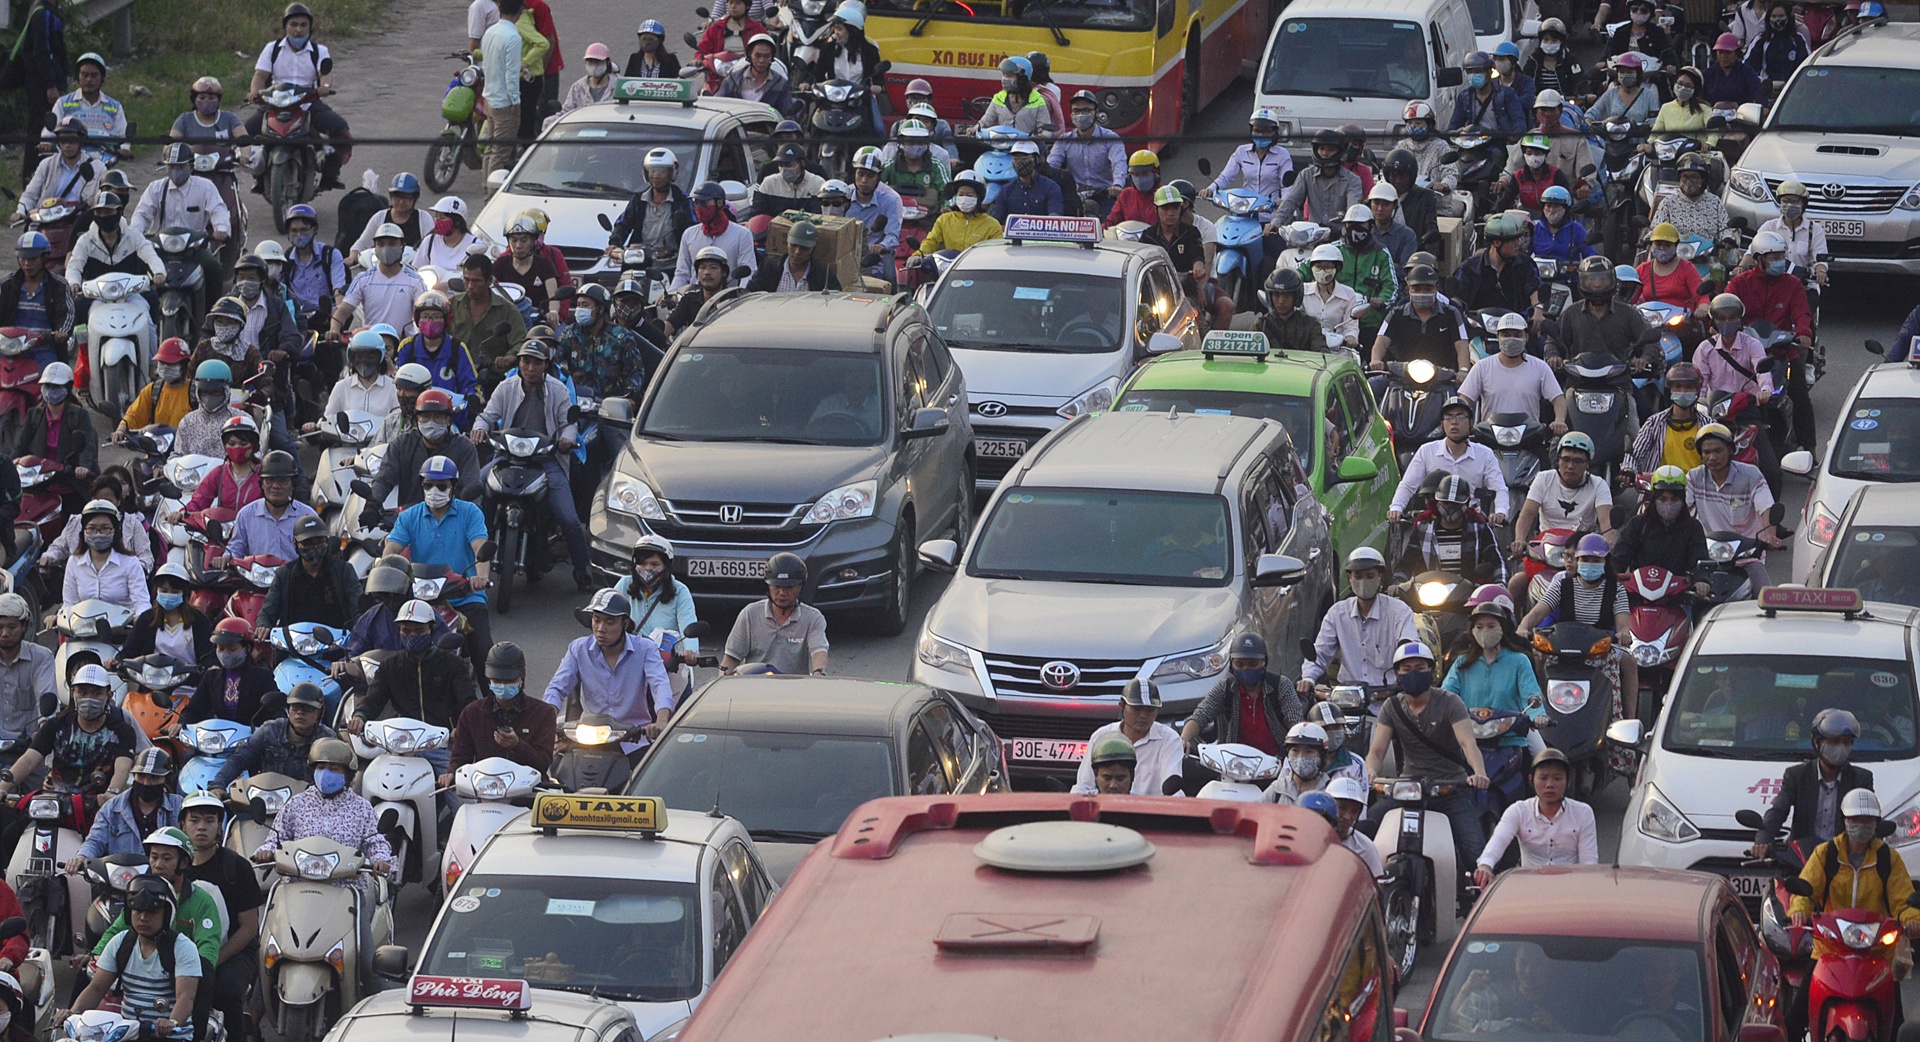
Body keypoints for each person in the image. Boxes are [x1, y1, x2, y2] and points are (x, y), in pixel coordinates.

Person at [470, 339, 592, 590]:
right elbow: (487, 416)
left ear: (546, 365)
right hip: (507, 456)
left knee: (569, 519)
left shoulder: (558, 390)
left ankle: (582, 570)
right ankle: (462, 563)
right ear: (520, 363)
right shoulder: (506, 387)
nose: (531, 367)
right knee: (470, 493)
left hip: (546, 459)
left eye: (537, 362)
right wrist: (480, 430)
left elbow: (568, 422)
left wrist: (567, 439)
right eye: (526, 361)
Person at [1363, 641, 1490, 869]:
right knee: (1368, 824)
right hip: (1408, 787)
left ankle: (1478, 894)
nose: (1413, 674)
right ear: (1397, 673)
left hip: (1450, 787)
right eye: (1407, 669)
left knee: (1475, 852)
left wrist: (1479, 773)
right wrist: (1370, 772)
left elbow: (1467, 743)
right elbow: (1377, 751)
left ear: (1431, 671)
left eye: (1420, 668)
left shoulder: (1451, 702)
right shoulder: (1391, 707)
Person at [58, 874, 200, 1040]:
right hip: (126, 1035)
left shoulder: (183, 948)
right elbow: (96, 988)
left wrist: (172, 1023)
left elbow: (186, 997)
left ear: (167, 914)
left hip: (170, 1037)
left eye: (152, 912)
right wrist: (72, 1014)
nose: (143, 918)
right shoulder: (120, 942)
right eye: (138, 910)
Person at [383, 454, 493, 668]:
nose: (434, 491)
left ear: (454, 487)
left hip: (466, 596)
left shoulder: (470, 513)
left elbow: (480, 547)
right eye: (429, 485)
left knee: (485, 654)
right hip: (422, 597)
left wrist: (481, 577)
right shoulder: (408, 517)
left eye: (441, 486)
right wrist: (383, 569)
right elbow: (392, 548)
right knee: (391, 646)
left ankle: (491, 700)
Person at [543, 589, 675, 759]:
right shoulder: (578, 649)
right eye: (596, 620)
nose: (601, 628)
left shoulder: (645, 648)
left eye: (609, 622)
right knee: (555, 767)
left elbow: (660, 686)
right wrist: (545, 719)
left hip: (634, 740)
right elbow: (556, 688)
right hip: (589, 739)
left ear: (625, 624)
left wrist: (661, 721)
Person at [347, 599, 473, 773]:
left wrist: (460, 729)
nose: (412, 635)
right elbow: (374, 698)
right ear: (399, 630)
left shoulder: (453, 665)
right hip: (402, 745)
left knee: (457, 790)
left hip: (441, 745)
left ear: (432, 630)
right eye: (406, 630)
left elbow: (468, 701)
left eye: (419, 630)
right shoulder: (390, 666)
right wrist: (360, 716)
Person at [177, 789, 264, 1041]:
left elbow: (248, 928)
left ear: (219, 826)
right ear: (182, 824)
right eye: (194, 820)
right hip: (181, 950)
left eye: (209, 821)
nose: (201, 827)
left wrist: (210, 961)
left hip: (232, 952)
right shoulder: (172, 864)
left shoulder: (237, 867)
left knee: (225, 989)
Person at [1518, 532, 1637, 710]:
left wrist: (1623, 634)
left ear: (1605, 563)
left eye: (1596, 561)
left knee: (1628, 660)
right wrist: (1523, 627)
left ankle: (1628, 719)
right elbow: (1537, 613)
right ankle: (1536, 708)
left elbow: (1622, 623)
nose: (1590, 564)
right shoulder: (1562, 586)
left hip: (1600, 655)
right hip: (1562, 653)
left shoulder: (1616, 590)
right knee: (1535, 658)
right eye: (1585, 559)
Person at [1788, 788, 1920, 935]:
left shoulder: (1888, 857)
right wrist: (1799, 910)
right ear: (1845, 820)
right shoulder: (1825, 853)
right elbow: (1807, 890)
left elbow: (1902, 900)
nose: (1862, 825)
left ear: (1876, 823)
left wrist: (1912, 919)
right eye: (1855, 820)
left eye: (1867, 821)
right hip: (1830, 942)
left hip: (1876, 945)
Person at [0, 662, 139, 802]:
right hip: (56, 804)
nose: (89, 698)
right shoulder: (56, 725)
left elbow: (123, 767)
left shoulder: (122, 730)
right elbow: (29, 759)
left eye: (96, 693)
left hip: (100, 805)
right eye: (83, 692)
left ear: (109, 696)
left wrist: (111, 793)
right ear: (73, 693)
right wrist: (3, 787)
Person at [1727, 230, 1814, 453]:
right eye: (1773, 257)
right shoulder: (1739, 284)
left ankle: (1809, 449)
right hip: (1745, 353)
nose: (1779, 262)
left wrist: (1804, 332)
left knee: (1800, 397)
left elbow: (1802, 313)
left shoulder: (1792, 284)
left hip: (1781, 352)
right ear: (1758, 259)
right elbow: (1726, 307)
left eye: (1781, 256)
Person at [245, 3, 349, 188]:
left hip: (307, 102)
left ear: (310, 28)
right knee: (243, 133)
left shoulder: (319, 51)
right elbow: (260, 76)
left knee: (340, 129)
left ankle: (330, 174)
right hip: (275, 102)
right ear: (286, 26)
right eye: (293, 24)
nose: (298, 29)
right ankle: (259, 174)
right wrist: (254, 92)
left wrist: (324, 87)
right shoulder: (272, 48)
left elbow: (325, 74)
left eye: (303, 25)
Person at [441, 641, 556, 788]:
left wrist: (517, 745)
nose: (502, 685)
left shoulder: (543, 713)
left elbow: (542, 763)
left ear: (522, 676)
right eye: (497, 681)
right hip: (487, 791)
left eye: (509, 681)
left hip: (528, 793)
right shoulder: (472, 713)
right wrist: (452, 772)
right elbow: (461, 755)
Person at [1474, 747, 1597, 882]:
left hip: (1570, 887)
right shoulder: (1518, 811)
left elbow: (1589, 863)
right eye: (1543, 778)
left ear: (1568, 781)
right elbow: (1498, 840)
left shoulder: (1583, 812)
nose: (1550, 785)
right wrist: (1485, 866)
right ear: (1531, 779)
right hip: (1530, 887)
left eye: (1557, 778)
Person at [128, 142, 230, 300]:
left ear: (191, 166)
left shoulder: (205, 187)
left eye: (180, 167)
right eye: (171, 167)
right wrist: (135, 233)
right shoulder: (155, 188)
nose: (176, 171)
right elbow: (142, 214)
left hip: (194, 248)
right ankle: (139, 309)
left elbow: (218, 209)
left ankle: (212, 313)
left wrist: (221, 229)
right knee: (135, 264)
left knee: (213, 267)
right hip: (160, 247)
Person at [1687, 422, 1783, 581]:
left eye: (1718, 451)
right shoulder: (1694, 477)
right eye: (1706, 452)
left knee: (1764, 600)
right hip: (1707, 556)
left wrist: (1770, 536)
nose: (1712, 457)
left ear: (1731, 450)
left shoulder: (1751, 475)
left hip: (1746, 557)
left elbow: (1766, 507)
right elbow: (1683, 508)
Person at [1184, 632, 1303, 758]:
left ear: (1264, 662)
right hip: (1235, 763)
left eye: (1253, 664)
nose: (1246, 669)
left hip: (1277, 761)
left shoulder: (1281, 685)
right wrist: (1183, 739)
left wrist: (1296, 753)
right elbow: (1201, 714)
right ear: (1232, 664)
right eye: (1240, 664)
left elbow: (1295, 721)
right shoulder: (1225, 688)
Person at [1059, 677, 1181, 797]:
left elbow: (1172, 790)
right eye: (1136, 709)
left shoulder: (1169, 739)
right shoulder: (1100, 736)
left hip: (1151, 813)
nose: (1143, 715)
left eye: (1150, 710)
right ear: (1122, 706)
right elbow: (1084, 786)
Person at [210, 683, 336, 789]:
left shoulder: (328, 740)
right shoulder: (269, 730)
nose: (300, 713)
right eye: (295, 706)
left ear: (321, 712)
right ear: (288, 709)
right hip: (267, 798)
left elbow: (338, 776)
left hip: (309, 806)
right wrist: (218, 785)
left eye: (308, 708)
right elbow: (240, 759)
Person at [69, 747, 180, 867]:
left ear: (166, 779)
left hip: (165, 878)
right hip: (121, 878)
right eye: (141, 776)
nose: (146, 783)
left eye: (154, 777)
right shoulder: (111, 808)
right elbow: (96, 841)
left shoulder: (179, 806)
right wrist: (82, 857)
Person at [1510, 431, 1614, 558]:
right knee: (1519, 578)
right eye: (1566, 459)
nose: (1570, 466)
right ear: (1558, 460)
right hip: (1547, 548)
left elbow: (1606, 521)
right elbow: (1527, 513)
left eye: (1578, 461)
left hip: (1581, 550)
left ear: (1587, 464)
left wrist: (1609, 546)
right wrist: (1520, 539)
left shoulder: (1598, 485)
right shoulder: (1543, 479)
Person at [721, 553, 829, 675]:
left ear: (800, 587)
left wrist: (819, 673)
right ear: (768, 586)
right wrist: (722, 681)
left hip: (794, 688)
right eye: (777, 586)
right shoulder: (750, 614)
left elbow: (819, 652)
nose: (782, 593)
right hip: (754, 685)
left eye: (789, 587)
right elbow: (731, 657)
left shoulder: (813, 618)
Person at [1548, 256, 1658, 376]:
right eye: (1591, 279)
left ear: (1612, 281)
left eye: (1603, 279)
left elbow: (1650, 341)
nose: (1597, 285)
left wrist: (1643, 359)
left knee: (1637, 395)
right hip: (1578, 380)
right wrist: (1553, 356)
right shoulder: (1571, 313)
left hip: (1618, 380)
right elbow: (1553, 341)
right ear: (1582, 281)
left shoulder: (1627, 313)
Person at [255, 514, 360, 636]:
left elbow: (357, 607)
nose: (314, 548)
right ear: (295, 543)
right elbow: (268, 610)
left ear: (327, 541)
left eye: (320, 542)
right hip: (294, 646)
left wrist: (359, 631)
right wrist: (263, 625)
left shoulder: (344, 571)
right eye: (307, 543)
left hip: (336, 646)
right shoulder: (284, 575)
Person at [1460, 314, 1568, 432]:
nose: (1511, 339)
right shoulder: (1482, 367)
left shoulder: (1540, 367)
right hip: (1490, 437)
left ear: (1526, 337)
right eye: (1506, 335)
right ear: (1498, 337)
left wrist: (1559, 421)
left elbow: (1558, 399)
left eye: (1517, 335)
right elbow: (1465, 399)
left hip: (1529, 437)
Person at [13, 361, 94, 516]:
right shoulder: (34, 415)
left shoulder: (79, 415)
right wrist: (9, 464)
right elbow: (21, 446)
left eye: (56, 387)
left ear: (68, 388)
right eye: (47, 386)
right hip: (39, 480)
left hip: (69, 480)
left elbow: (87, 445)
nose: (50, 391)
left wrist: (83, 467)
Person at [1400, 474, 1509, 586]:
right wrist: (1397, 583)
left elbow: (1498, 563)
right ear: (1437, 501)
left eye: (1456, 503)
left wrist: (1501, 585)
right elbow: (1406, 564)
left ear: (1466, 504)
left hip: (1470, 594)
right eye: (1446, 502)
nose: (1450, 507)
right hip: (1430, 593)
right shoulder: (1423, 529)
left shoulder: (1479, 527)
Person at [331, 223, 428, 340]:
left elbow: (424, 313)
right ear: (374, 247)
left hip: (403, 344)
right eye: (381, 244)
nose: (386, 248)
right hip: (371, 344)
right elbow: (343, 311)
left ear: (402, 245)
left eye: (392, 244)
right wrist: (334, 329)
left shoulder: (415, 280)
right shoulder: (363, 279)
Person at [1610, 465, 1710, 576]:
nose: (1668, 504)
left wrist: (1701, 580)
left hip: (1679, 591)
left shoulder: (1692, 527)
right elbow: (1619, 557)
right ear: (1654, 498)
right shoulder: (1638, 524)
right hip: (1638, 591)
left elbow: (1699, 560)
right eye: (1662, 499)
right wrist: (1611, 575)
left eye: (1674, 499)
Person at [1369, 263, 1465, 375]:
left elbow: (1462, 344)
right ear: (1408, 288)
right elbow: (1381, 341)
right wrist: (1375, 360)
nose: (1422, 293)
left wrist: (1463, 370)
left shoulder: (1451, 313)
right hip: (1400, 375)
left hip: (1443, 377)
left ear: (1436, 288)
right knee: (1374, 387)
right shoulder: (1396, 313)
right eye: (1416, 288)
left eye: (1428, 289)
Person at [180, 618, 278, 727]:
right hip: (221, 739)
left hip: (254, 740)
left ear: (247, 648)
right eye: (221, 649)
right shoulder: (211, 677)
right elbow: (194, 709)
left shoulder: (263, 677)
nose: (225, 654)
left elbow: (276, 712)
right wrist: (182, 723)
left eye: (232, 649)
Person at [11, 0, 68, 181]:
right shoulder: (41, 15)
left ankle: (47, 176)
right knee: (38, 130)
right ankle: (30, 177)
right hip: (41, 85)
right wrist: (50, 85)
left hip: (49, 82)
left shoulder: (50, 12)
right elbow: (41, 52)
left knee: (51, 129)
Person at [60, 499, 148, 616]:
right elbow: (69, 604)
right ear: (84, 531)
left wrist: (140, 619)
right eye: (91, 528)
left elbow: (142, 603)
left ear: (115, 531)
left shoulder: (130, 563)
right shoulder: (74, 562)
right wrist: (58, 617)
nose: (98, 534)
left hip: (122, 630)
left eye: (105, 528)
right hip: (83, 629)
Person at [1447, 214, 1541, 322]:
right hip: (1478, 328)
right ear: (1497, 242)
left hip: (1516, 326)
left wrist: (1538, 311)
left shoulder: (1525, 263)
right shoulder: (1470, 267)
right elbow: (1458, 296)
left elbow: (1534, 288)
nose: (1518, 244)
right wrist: (1456, 311)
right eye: (1513, 240)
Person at [0, 232, 76, 365]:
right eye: (23, 259)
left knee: (52, 379)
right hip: (8, 348)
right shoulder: (6, 284)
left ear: (45, 258)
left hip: (43, 349)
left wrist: (61, 333)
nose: (27, 264)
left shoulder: (59, 285)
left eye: (32, 259)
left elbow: (67, 313)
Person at [1049, 90, 1126, 219]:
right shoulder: (1064, 141)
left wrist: (1117, 185)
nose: (1080, 115)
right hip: (1076, 196)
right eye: (1076, 111)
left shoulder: (1110, 138)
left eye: (1085, 111)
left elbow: (1119, 163)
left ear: (1095, 112)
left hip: (1105, 195)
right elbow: (1052, 166)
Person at [120, 565, 214, 670]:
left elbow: (208, 655)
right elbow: (130, 651)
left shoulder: (199, 620)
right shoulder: (146, 619)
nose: (168, 595)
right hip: (152, 682)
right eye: (164, 591)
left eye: (174, 592)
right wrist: (116, 662)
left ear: (184, 593)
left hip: (189, 685)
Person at [607, 147, 692, 263]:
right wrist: (614, 243)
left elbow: (693, 230)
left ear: (671, 173)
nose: (656, 176)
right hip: (639, 260)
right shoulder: (638, 200)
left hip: (672, 263)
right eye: (652, 171)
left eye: (662, 171)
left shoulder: (683, 201)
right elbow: (623, 225)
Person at [670, 181, 755, 293]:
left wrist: (742, 295)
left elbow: (748, 271)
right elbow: (682, 273)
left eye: (704, 203)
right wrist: (672, 293)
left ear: (719, 203)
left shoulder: (742, 234)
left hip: (728, 299)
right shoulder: (689, 234)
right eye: (696, 203)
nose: (699, 208)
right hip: (694, 298)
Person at [1274, 130, 1364, 230]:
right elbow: (1291, 201)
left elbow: (1353, 210)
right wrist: (1276, 222)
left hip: (1339, 238)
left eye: (1330, 149)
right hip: (1311, 236)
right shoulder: (1306, 175)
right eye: (1321, 148)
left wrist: (1349, 229)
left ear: (1340, 152)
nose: (1325, 153)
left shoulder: (1353, 180)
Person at [17, 120, 99, 226]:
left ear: (81, 141)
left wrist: (92, 203)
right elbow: (30, 194)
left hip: (79, 224)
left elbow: (101, 196)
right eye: (63, 140)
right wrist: (21, 211)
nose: (67, 145)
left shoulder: (97, 167)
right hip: (47, 222)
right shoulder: (46, 165)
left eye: (72, 140)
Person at [48, 53, 128, 162]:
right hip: (68, 157)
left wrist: (124, 149)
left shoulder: (114, 106)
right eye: (84, 75)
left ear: (102, 77)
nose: (89, 80)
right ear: (78, 76)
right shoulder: (63, 103)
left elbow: (123, 134)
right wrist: (46, 143)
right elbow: (51, 130)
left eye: (94, 75)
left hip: (103, 158)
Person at [1753, 179, 1828, 294]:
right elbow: (1752, 251)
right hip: (1771, 285)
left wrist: (1821, 271)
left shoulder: (1815, 230)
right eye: (1785, 201)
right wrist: (1740, 267)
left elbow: (1820, 258)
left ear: (1804, 204)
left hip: (1803, 287)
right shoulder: (1769, 226)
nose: (1789, 205)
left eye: (1795, 201)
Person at [112, 338, 194, 443]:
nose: (165, 367)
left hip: (186, 455)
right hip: (157, 451)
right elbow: (133, 416)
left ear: (184, 365)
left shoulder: (195, 393)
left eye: (171, 364)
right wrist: (120, 430)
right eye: (162, 363)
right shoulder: (152, 391)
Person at [1695, 292, 1773, 401]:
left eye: (1732, 318)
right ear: (1713, 323)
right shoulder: (1704, 348)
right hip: (1716, 405)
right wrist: (1699, 401)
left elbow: (1762, 372)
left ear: (1740, 320)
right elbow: (1700, 381)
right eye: (1721, 318)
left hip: (1748, 404)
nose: (1727, 322)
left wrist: (1765, 390)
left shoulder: (1753, 344)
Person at [0, 594, 56, 739]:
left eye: (11, 627)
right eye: (0, 627)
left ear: (24, 626)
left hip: (28, 745)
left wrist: (43, 732)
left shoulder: (42, 657)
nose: (4, 634)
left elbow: (46, 700)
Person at [319, 330, 400, 424]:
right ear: (351, 358)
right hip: (346, 438)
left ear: (381, 357)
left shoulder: (392, 387)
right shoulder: (341, 387)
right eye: (360, 357)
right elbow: (328, 419)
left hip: (384, 438)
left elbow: (398, 421)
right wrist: (314, 426)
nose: (364, 361)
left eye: (371, 357)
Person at [916, 171, 1001, 258]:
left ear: (979, 198)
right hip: (948, 268)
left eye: (969, 195)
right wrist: (919, 255)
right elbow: (931, 241)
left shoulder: (992, 225)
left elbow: (998, 252)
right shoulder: (944, 220)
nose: (964, 198)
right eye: (961, 194)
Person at [1649, 153, 1729, 243]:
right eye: (1685, 176)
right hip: (1677, 254)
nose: (1688, 181)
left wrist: (1728, 239)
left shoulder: (1715, 202)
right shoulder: (1668, 203)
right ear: (1679, 178)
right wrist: (1648, 238)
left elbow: (1725, 228)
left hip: (1709, 254)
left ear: (1702, 179)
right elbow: (1656, 229)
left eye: (1693, 177)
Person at [1447, 51, 1526, 140]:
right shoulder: (1464, 97)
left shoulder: (1506, 94)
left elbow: (1518, 119)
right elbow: (1455, 124)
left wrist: (1514, 135)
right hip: (1472, 143)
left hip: (1497, 142)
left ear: (1489, 72)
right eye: (1470, 71)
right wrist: (1451, 135)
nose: (1473, 75)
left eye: (1478, 71)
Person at [1635, 223, 1709, 315]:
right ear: (1651, 245)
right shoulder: (1642, 269)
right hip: (1650, 322)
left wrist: (1703, 309)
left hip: (1680, 323)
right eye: (1658, 244)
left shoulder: (1687, 268)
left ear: (1676, 246)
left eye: (1667, 245)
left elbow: (1701, 296)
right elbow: (1631, 297)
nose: (1662, 248)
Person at [747, 221, 841, 293]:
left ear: (813, 249)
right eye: (793, 246)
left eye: (804, 249)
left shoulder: (824, 275)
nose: (797, 252)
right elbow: (752, 292)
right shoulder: (769, 267)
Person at [1263, 722, 1337, 805]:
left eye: (1309, 752)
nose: (1301, 757)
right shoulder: (1278, 789)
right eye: (1295, 750)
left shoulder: (1331, 791)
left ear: (1321, 756)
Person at [1325, 775, 1385, 875]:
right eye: (1342, 808)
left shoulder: (1365, 847)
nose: (1347, 817)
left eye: (1354, 811)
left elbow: (1376, 885)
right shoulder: (1311, 839)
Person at [665, 247, 731, 337]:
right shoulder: (689, 299)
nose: (707, 272)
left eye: (713, 268)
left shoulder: (734, 299)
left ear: (724, 273)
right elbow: (670, 324)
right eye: (703, 268)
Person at [991, 140, 1063, 220]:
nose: (1019, 162)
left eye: (1024, 159)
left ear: (1036, 159)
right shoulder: (1006, 190)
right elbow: (996, 219)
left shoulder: (1050, 187)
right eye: (1016, 159)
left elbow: (1055, 217)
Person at [1256, 270, 1324, 353]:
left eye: (1287, 295)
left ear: (1296, 297)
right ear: (1270, 297)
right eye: (1276, 295)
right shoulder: (1260, 325)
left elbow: (1322, 353)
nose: (1281, 301)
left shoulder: (1310, 325)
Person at [1745, 0, 1810, 83]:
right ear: (1768, 18)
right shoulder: (1760, 40)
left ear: (1788, 17)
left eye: (1781, 16)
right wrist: (1765, 84)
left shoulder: (1798, 39)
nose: (1777, 19)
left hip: (1792, 89)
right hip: (1768, 91)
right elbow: (1748, 68)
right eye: (1773, 16)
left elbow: (1807, 65)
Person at [1586, 53, 1659, 125]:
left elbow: (1654, 122)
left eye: (1629, 72)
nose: (1625, 75)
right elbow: (1592, 113)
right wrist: (1589, 125)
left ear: (1638, 74)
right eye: (1622, 72)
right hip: (1612, 135)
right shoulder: (1611, 93)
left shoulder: (1648, 96)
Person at [1703, 32, 1768, 112]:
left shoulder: (1747, 73)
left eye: (1728, 53)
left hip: (1741, 118)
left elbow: (1758, 93)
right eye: (1720, 52)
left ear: (1736, 53)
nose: (1723, 56)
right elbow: (1700, 100)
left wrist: (1763, 108)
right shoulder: (1708, 74)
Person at [552, 42, 617, 120]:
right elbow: (567, 111)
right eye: (590, 62)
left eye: (598, 61)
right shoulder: (578, 87)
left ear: (607, 63)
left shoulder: (617, 87)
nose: (594, 65)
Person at [1653, 66, 1714, 142]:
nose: (1683, 88)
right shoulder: (1666, 108)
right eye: (1680, 83)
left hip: (1695, 152)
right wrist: (1648, 146)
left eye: (1688, 86)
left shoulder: (1704, 109)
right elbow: (1655, 134)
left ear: (1696, 89)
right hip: (1669, 152)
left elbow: (1713, 133)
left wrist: (1708, 145)